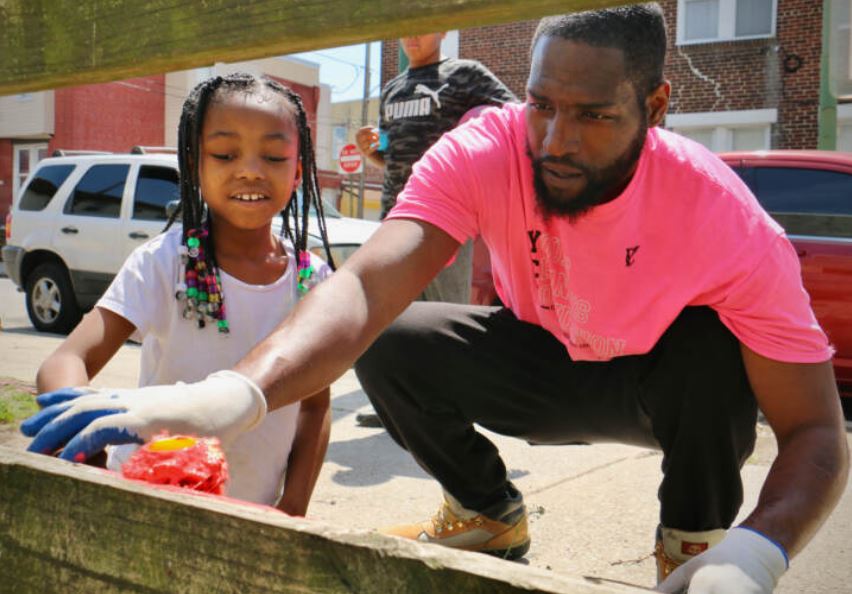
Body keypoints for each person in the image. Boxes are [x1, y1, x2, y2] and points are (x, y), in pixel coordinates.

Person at [22, 5, 849, 593]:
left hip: (663, 386)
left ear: (656, 107)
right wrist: (236, 391)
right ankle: (490, 512)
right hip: (544, 363)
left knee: (709, 350)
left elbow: (816, 430)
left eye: (593, 116)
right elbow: (362, 284)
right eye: (542, 105)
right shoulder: (488, 147)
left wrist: (759, 555)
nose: (554, 143)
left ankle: (698, 550)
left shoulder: (722, 218)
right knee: (388, 334)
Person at [24, 72, 335, 517]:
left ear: (298, 170)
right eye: (225, 154)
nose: (250, 169)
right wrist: (88, 452)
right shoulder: (164, 263)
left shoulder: (313, 282)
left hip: (253, 514)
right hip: (146, 502)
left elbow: (315, 406)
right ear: (193, 165)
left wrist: (295, 505)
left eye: (273, 155)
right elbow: (64, 361)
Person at [355, 32, 516, 304]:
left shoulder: (465, 73)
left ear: (443, 30)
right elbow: (393, 158)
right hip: (395, 220)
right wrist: (371, 152)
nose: (411, 35)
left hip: (447, 221)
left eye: (423, 26)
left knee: (447, 313)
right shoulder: (391, 90)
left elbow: (514, 117)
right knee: (400, 318)